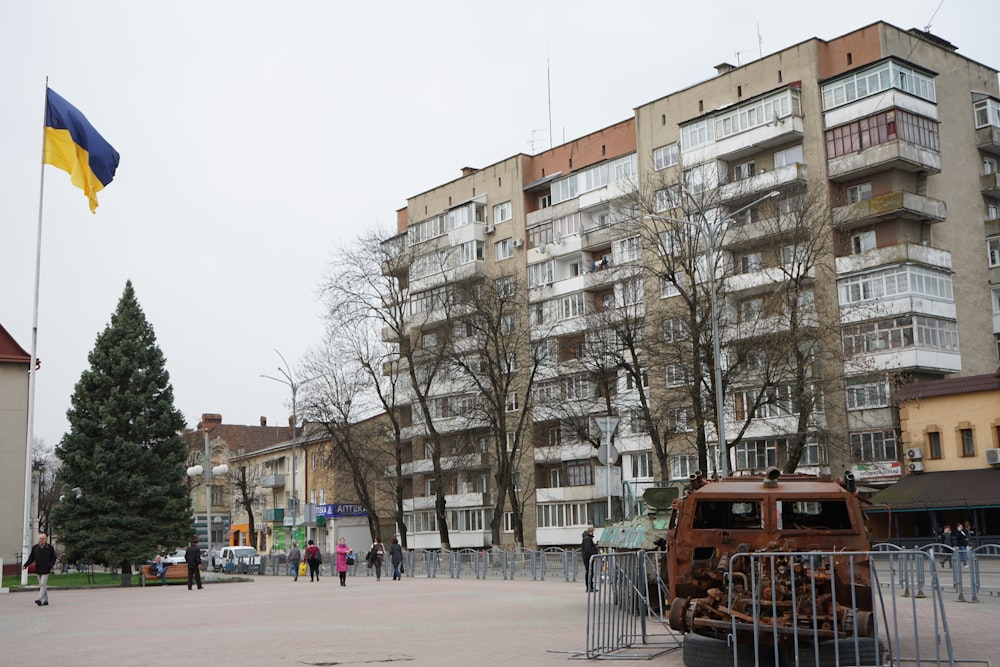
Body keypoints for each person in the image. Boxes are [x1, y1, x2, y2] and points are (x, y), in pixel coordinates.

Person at [23, 533, 58, 606]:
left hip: (46, 569)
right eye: (40, 539)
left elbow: (54, 558)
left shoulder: (49, 547)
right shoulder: (35, 548)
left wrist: (50, 565)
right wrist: (25, 565)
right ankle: (45, 600)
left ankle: (39, 599)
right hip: (38, 569)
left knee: (42, 584)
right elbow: (31, 558)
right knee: (42, 585)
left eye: (42, 539)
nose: (41, 540)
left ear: (45, 539)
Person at [581, 526, 599, 592]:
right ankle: (589, 587)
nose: (594, 532)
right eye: (593, 531)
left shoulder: (587, 538)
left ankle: (590, 586)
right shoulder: (587, 539)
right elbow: (588, 549)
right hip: (588, 558)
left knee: (590, 572)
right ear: (591, 531)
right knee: (589, 572)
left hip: (588, 557)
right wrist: (592, 555)